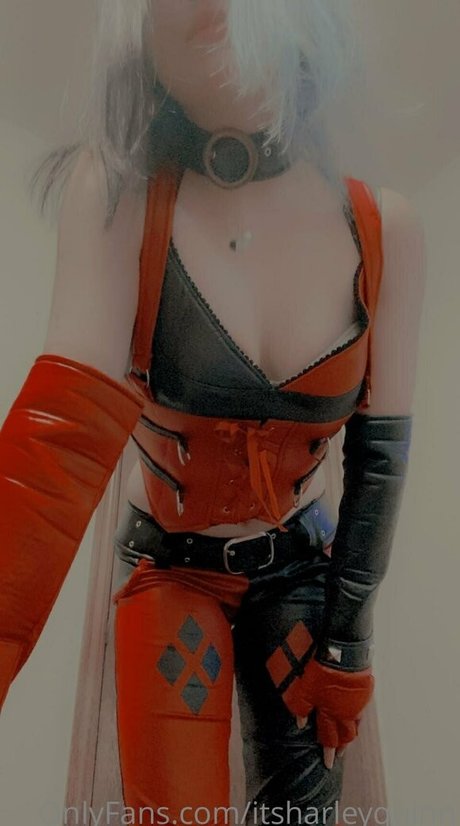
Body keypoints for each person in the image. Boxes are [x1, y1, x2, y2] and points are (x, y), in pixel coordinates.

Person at [0, 2, 426, 825]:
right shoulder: (121, 195)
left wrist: (349, 642)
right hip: (171, 573)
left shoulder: (385, 230)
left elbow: (380, 462)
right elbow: (56, 448)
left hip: (304, 580)